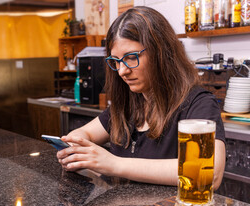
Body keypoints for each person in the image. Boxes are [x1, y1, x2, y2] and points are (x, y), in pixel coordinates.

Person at [57, 6, 226, 189]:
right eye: (116, 61)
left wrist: (113, 164)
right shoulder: (130, 103)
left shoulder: (198, 104)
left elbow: (208, 172)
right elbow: (86, 133)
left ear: (161, 53)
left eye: (131, 57)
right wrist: (74, 145)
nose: (122, 71)